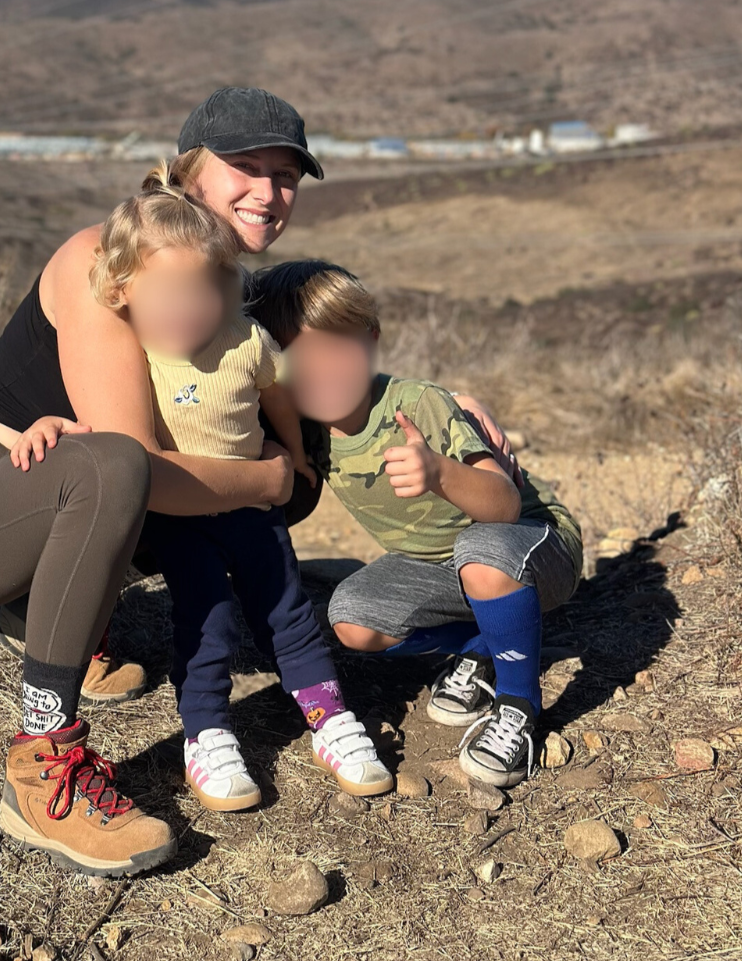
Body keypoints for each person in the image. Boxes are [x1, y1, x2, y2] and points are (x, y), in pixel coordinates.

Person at [0, 86, 517, 876]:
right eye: (245, 167)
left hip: (41, 505)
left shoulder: (217, 291)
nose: (269, 192)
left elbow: (319, 367)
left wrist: (445, 406)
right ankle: (41, 767)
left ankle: (42, 608)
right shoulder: (105, 261)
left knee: (264, 445)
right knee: (128, 464)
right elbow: (136, 467)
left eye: (286, 175)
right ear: (186, 172)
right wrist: (263, 479)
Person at [85, 161, 392, 809]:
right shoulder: (131, 354)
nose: (184, 312)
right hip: (183, 514)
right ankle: (205, 731)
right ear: (120, 290)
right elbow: (105, 422)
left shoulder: (242, 338)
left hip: (252, 506)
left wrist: (292, 450)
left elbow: (273, 389)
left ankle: (329, 715)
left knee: (285, 609)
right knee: (209, 619)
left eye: (199, 293)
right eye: (165, 296)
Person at [249, 259, 583, 788]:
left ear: (372, 339)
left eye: (339, 347)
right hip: (444, 568)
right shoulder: (306, 429)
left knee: (482, 549)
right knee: (352, 621)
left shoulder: (415, 404)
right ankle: (486, 647)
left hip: (533, 547)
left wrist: (440, 471)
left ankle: (520, 706)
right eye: (298, 360)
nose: (325, 371)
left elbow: (503, 505)